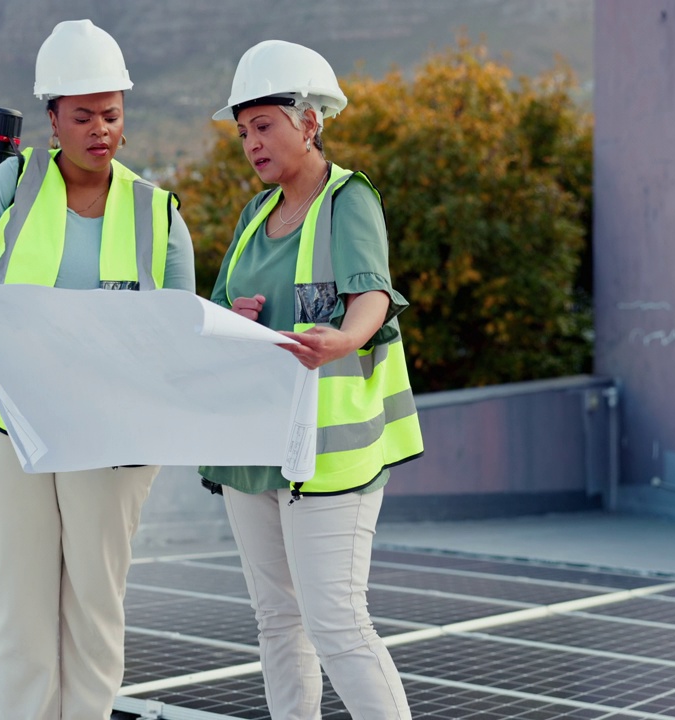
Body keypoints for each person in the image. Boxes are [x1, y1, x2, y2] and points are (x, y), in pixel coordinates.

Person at [0, 19, 195, 720]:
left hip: (110, 433)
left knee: (93, 601)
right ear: (51, 117)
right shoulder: (8, 188)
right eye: (82, 116)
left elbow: (179, 332)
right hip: (5, 419)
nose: (100, 129)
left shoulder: (157, 212)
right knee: (20, 602)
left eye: (112, 114)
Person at [199, 40, 424, 720]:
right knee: (278, 622)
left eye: (264, 125)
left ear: (310, 122)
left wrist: (347, 339)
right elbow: (219, 310)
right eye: (244, 132)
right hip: (255, 448)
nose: (252, 144)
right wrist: (230, 316)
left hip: (330, 455)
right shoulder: (253, 215)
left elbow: (372, 295)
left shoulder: (348, 200)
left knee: (337, 625)